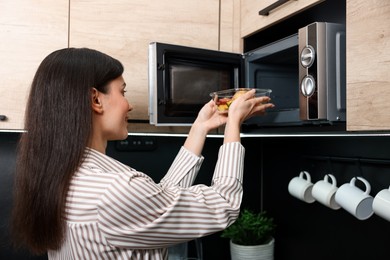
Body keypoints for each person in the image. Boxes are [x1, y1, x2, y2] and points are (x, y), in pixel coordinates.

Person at [11, 47, 274, 259]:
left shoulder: (69, 174)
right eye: (122, 92)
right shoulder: (113, 189)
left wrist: (200, 127)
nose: (129, 104)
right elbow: (223, 205)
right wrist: (233, 124)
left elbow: (155, 206)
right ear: (95, 100)